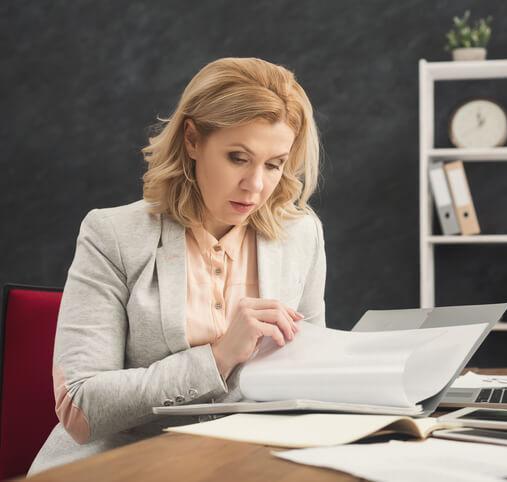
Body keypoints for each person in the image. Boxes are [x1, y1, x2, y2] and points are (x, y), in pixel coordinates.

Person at [29, 57, 326, 475]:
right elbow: (81, 408)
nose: (255, 185)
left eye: (274, 164)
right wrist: (218, 358)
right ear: (192, 139)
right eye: (238, 157)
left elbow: (314, 374)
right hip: (123, 466)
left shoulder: (301, 235)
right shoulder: (111, 234)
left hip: (248, 465)